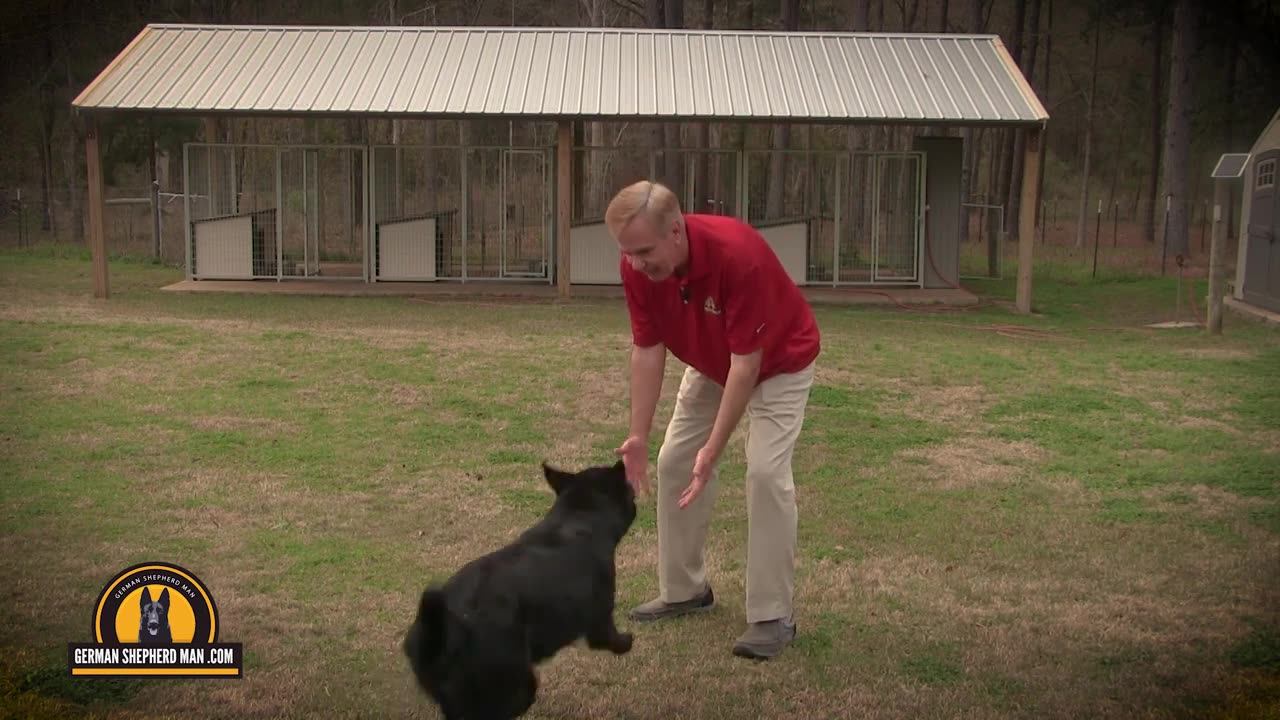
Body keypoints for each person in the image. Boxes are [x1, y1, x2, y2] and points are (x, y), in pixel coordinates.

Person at [607, 180, 821, 660]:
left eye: (643, 251)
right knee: (672, 461)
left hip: (779, 362)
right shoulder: (636, 266)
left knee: (765, 472)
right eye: (627, 253)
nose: (635, 264)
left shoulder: (736, 255)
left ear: (677, 232)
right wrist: (638, 435)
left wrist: (714, 450)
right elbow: (646, 347)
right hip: (712, 359)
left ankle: (772, 616)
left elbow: (746, 368)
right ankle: (685, 591)